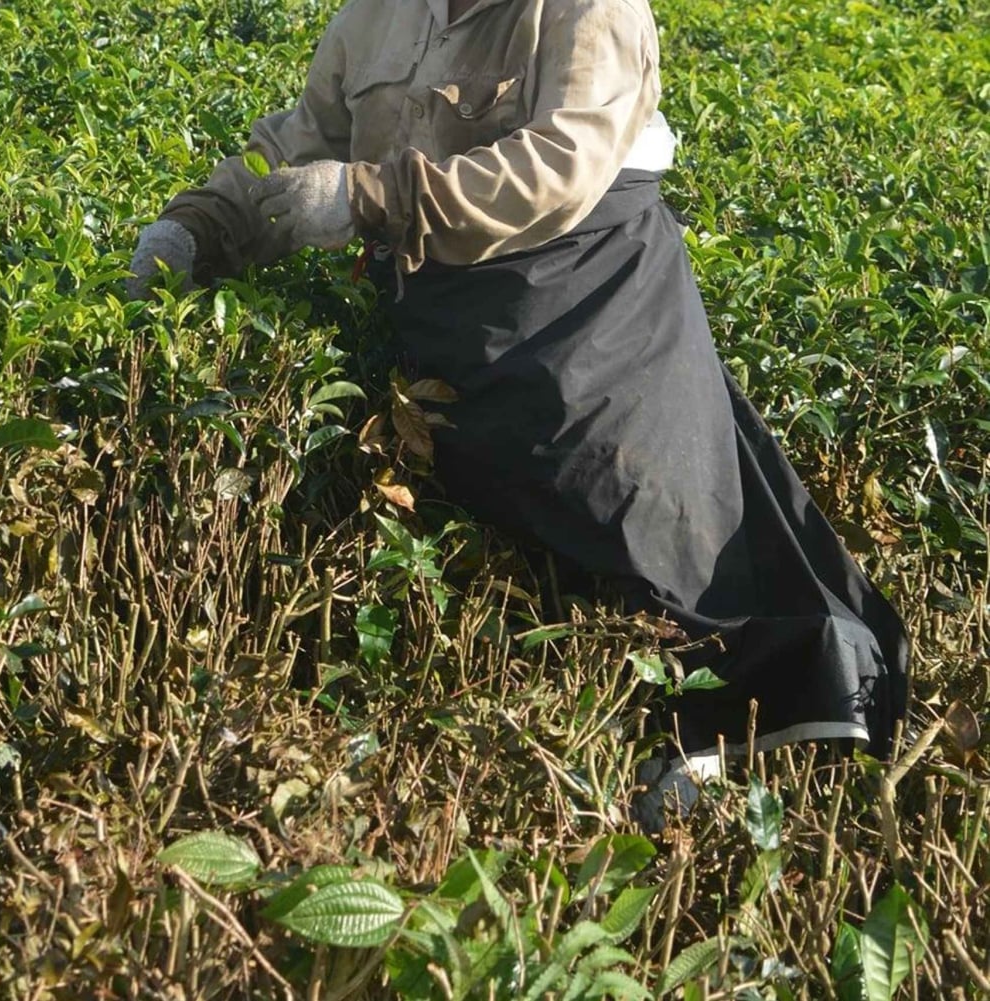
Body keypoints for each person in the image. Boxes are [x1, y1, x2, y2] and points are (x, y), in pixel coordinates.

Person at [127, 0, 910, 814]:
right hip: (450, 311)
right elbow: (299, 141)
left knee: (644, 514)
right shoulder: (375, 15)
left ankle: (725, 733)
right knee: (520, 554)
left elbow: (564, 161)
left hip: (591, 291)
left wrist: (372, 197)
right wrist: (198, 225)